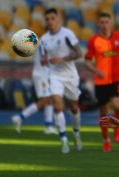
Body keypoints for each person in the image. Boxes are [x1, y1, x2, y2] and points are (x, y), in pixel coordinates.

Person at [84, 12, 119, 152]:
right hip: (101, 82)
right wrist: (96, 71)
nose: (104, 24)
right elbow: (87, 62)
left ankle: (117, 128)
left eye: (107, 22)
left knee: (118, 106)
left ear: (111, 23)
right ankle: (106, 141)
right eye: (102, 22)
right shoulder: (93, 40)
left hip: (116, 78)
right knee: (103, 114)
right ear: (98, 24)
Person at [40, 8, 83, 154]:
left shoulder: (67, 34)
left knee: (74, 107)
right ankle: (64, 139)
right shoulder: (44, 39)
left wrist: (63, 59)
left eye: (53, 18)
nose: (50, 21)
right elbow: (44, 59)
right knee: (57, 106)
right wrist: (44, 60)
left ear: (58, 19)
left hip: (70, 75)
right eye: (47, 19)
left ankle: (76, 133)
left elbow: (79, 53)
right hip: (55, 76)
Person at [11, 45, 57, 135]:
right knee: (44, 100)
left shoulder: (45, 41)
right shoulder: (47, 42)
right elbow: (44, 60)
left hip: (42, 73)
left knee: (50, 100)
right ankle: (20, 117)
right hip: (41, 75)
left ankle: (48, 126)